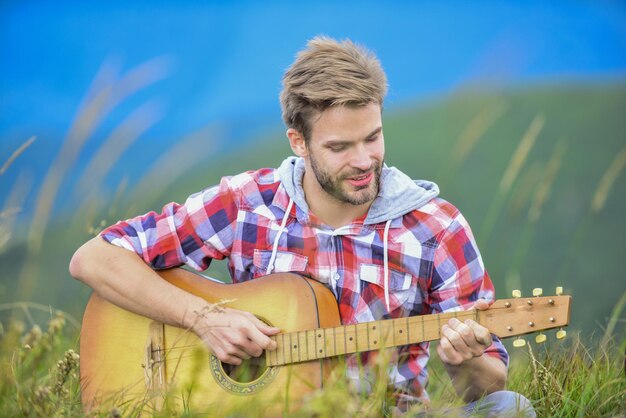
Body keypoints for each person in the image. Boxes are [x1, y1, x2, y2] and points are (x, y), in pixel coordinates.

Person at [70, 36, 535, 416]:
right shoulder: (247, 204)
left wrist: (469, 358)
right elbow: (93, 259)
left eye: (372, 137)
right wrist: (202, 318)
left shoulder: (437, 227)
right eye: (339, 147)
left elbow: (486, 384)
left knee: (509, 408)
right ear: (299, 142)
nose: (363, 161)